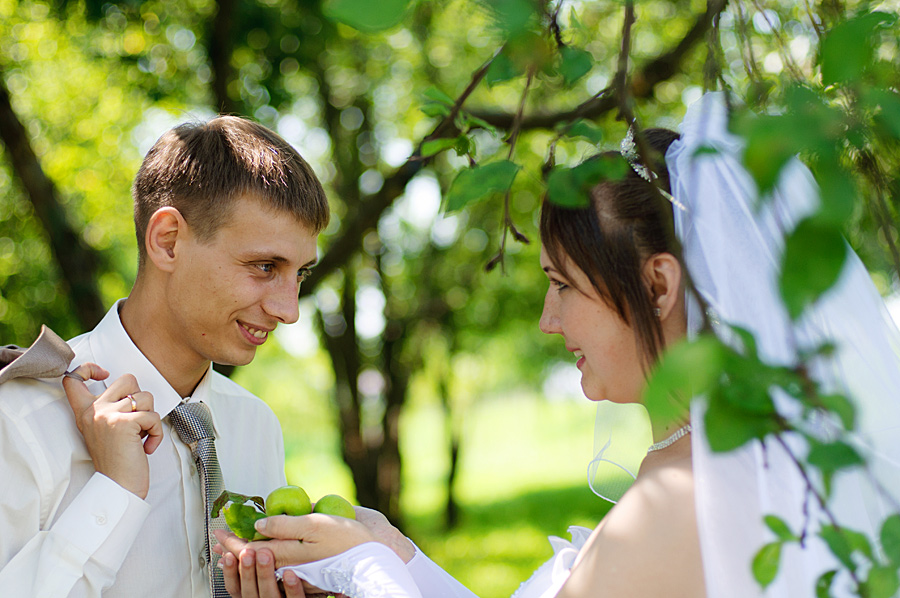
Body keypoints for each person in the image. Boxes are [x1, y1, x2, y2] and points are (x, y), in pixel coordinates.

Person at [223, 92, 900, 598]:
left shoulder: (685, 499)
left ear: (658, 286)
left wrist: (363, 572)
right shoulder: (719, 462)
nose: (548, 320)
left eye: (563, 285)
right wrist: (396, 553)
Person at [0, 115, 329, 597]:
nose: (289, 311)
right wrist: (114, 493)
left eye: (300, 273)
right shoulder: (22, 420)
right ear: (168, 241)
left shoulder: (256, 426)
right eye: (264, 266)